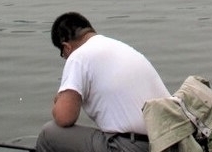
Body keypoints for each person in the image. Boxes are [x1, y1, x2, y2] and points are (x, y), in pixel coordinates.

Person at [35, 12, 168, 152]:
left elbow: (64, 117)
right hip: (168, 143)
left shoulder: (78, 56)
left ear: (67, 47)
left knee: (48, 134)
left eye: (63, 54)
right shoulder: (122, 48)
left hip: (131, 147)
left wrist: (58, 101)